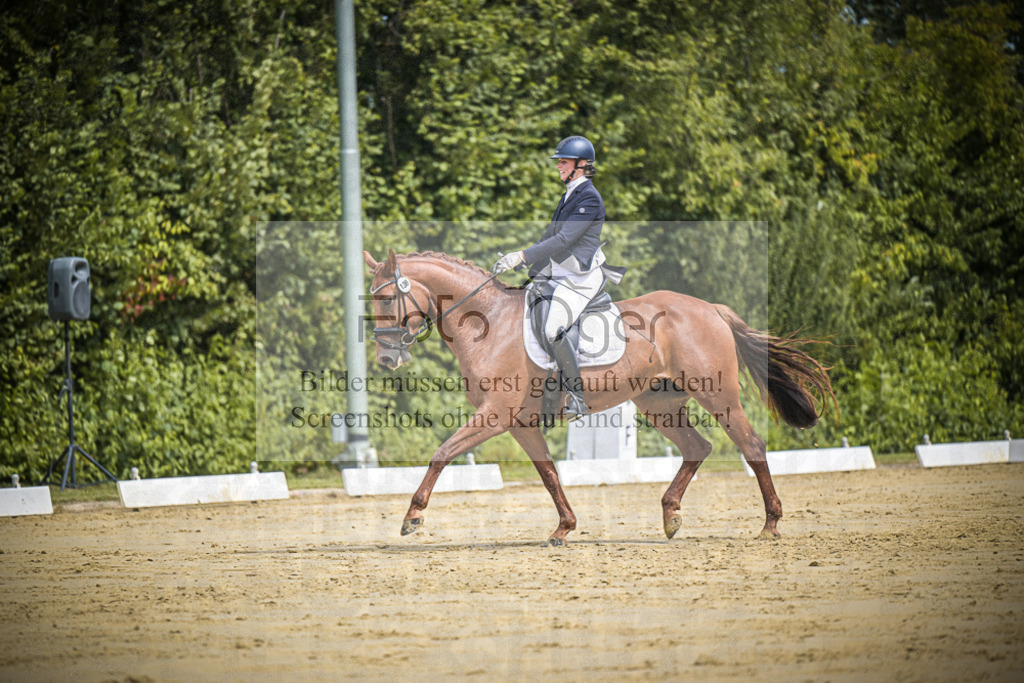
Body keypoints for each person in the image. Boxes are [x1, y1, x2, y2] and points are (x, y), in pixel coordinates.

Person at [493, 135, 623, 417]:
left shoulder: (589, 197)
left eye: (563, 162)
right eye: (559, 162)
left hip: (580, 278)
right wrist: (524, 265)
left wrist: (523, 254)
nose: (558, 166)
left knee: (554, 329)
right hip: (561, 273)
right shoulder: (570, 194)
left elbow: (564, 239)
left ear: (581, 164)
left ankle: (576, 399)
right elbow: (549, 236)